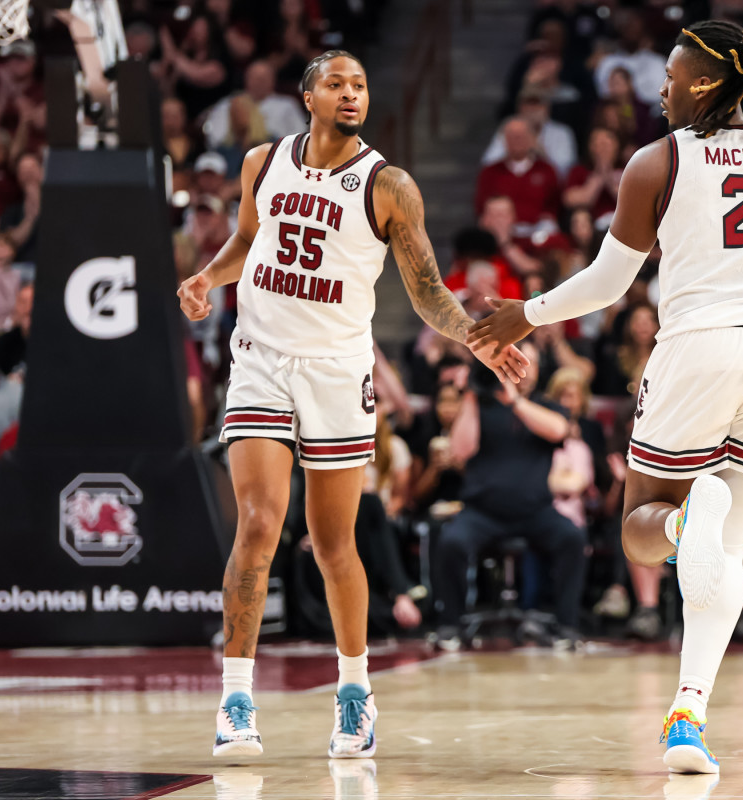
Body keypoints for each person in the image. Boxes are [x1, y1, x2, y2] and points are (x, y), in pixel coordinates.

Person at [467, 21, 743, 774]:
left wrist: (525, 311)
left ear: (708, 84)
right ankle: (688, 718)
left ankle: (685, 523)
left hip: (698, 350)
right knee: (729, 549)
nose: (662, 88)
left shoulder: (658, 162)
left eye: (676, 77)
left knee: (643, 529)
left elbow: (609, 283)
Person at [177, 50, 527, 762]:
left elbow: (426, 288)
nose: (350, 94)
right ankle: (235, 700)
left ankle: (354, 693)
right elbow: (249, 241)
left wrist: (473, 339)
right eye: (335, 83)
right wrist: (209, 278)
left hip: (339, 369)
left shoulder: (388, 184)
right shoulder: (260, 162)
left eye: (360, 85)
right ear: (307, 95)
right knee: (257, 523)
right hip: (262, 361)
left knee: (336, 542)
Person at [433, 342, 587, 647]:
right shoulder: (481, 405)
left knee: (572, 537)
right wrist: (473, 394)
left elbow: (559, 430)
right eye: (514, 361)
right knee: (451, 541)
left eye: (527, 362)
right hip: (483, 512)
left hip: (535, 512)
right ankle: (450, 625)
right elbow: (460, 449)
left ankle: (566, 628)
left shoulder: (548, 406)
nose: (521, 370)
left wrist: (514, 401)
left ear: (538, 369)